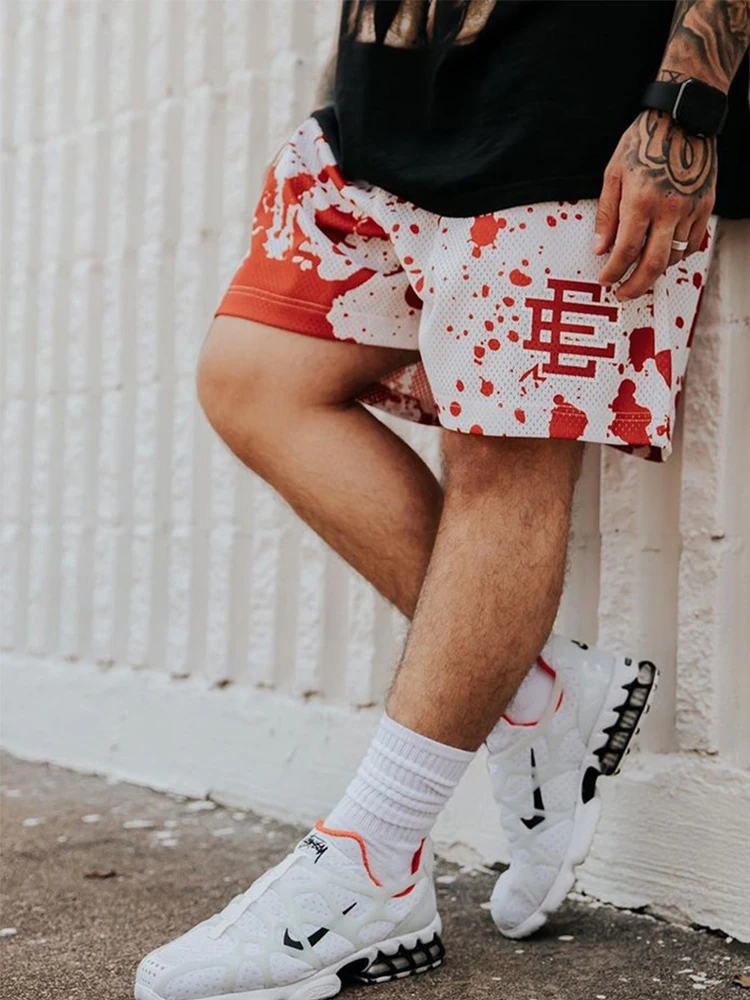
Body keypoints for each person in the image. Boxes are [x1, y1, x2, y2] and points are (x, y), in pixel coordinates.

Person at [135, 2, 750, 998]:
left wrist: (684, 102)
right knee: (253, 378)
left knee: (501, 459)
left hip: (569, 96)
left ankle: (375, 861)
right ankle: (540, 693)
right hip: (386, 104)